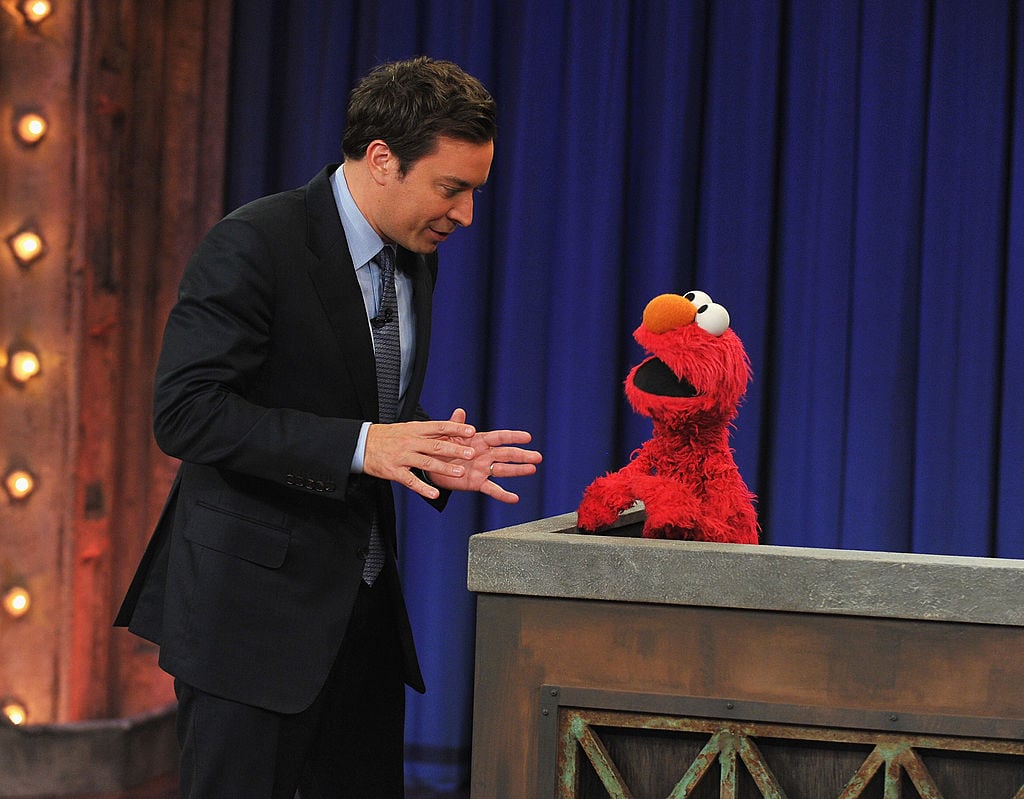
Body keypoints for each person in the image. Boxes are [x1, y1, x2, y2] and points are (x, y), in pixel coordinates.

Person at [115, 56, 542, 798]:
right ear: (383, 160)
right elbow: (187, 411)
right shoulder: (254, 243)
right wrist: (366, 445)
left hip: (363, 624)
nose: (466, 215)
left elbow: (354, 400)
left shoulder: (415, 256)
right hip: (247, 627)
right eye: (452, 189)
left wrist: (425, 447)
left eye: (474, 191)